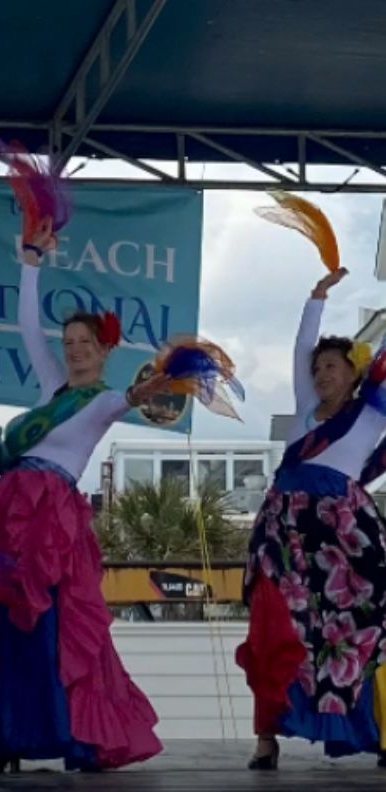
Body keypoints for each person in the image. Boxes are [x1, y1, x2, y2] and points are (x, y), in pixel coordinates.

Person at [0, 221, 167, 772]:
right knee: (2, 621)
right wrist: (31, 264)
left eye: (86, 344)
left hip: (51, 521)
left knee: (50, 626)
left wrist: (150, 387)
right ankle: (6, 737)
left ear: (105, 350)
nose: (75, 351)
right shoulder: (50, 385)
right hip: (10, 509)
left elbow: (130, 398)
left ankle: (69, 735)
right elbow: (28, 326)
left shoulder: (101, 400)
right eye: (71, 343)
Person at [237, 267, 386, 768]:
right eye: (318, 367)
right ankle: (266, 737)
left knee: (362, 627)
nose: (322, 374)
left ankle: (377, 726)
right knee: (272, 625)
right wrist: (315, 300)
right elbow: (300, 347)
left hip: (345, 538)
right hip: (284, 533)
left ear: (354, 373)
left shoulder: (371, 414)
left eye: (333, 367)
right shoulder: (305, 409)